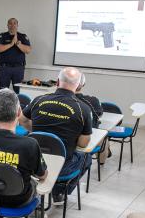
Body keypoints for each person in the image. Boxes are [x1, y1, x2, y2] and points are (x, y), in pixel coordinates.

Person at [21, 67, 92, 204]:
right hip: (63, 166)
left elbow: (22, 119)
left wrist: (35, 131)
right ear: (78, 85)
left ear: (58, 81)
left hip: (34, 162)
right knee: (87, 158)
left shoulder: (38, 100)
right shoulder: (83, 109)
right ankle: (59, 191)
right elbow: (83, 143)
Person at [0, 17, 31, 92]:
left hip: (18, 68)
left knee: (19, 91)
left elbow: (28, 50)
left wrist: (18, 44)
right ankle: (2, 104)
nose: (12, 25)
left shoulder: (23, 36)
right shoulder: (2, 36)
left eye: (14, 23)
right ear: (7, 25)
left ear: (17, 25)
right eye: (10, 23)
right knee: (2, 92)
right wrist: (11, 44)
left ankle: (18, 104)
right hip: (4, 68)